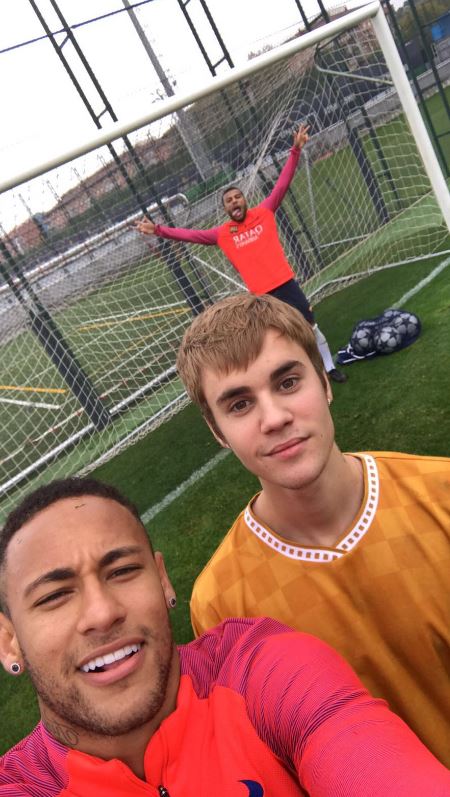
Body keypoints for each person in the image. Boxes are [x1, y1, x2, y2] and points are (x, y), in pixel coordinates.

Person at [1, 479, 449, 796]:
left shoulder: (259, 670)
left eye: (122, 572)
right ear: (9, 641)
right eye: (55, 596)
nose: (102, 612)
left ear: (163, 581)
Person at [176, 292, 450, 767]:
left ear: (323, 381)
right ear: (217, 431)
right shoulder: (221, 602)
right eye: (239, 405)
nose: (275, 418)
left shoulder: (442, 492)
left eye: (287, 382)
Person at [134, 123, 347, 384]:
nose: (234, 201)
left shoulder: (265, 212)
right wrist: (157, 229)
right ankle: (300, 375)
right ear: (225, 209)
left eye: (237, 197)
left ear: (244, 200)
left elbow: (282, 184)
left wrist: (295, 150)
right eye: (229, 201)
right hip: (262, 296)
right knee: (281, 338)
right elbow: (188, 235)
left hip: (286, 284)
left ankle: (329, 367)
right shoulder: (222, 234)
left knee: (311, 327)